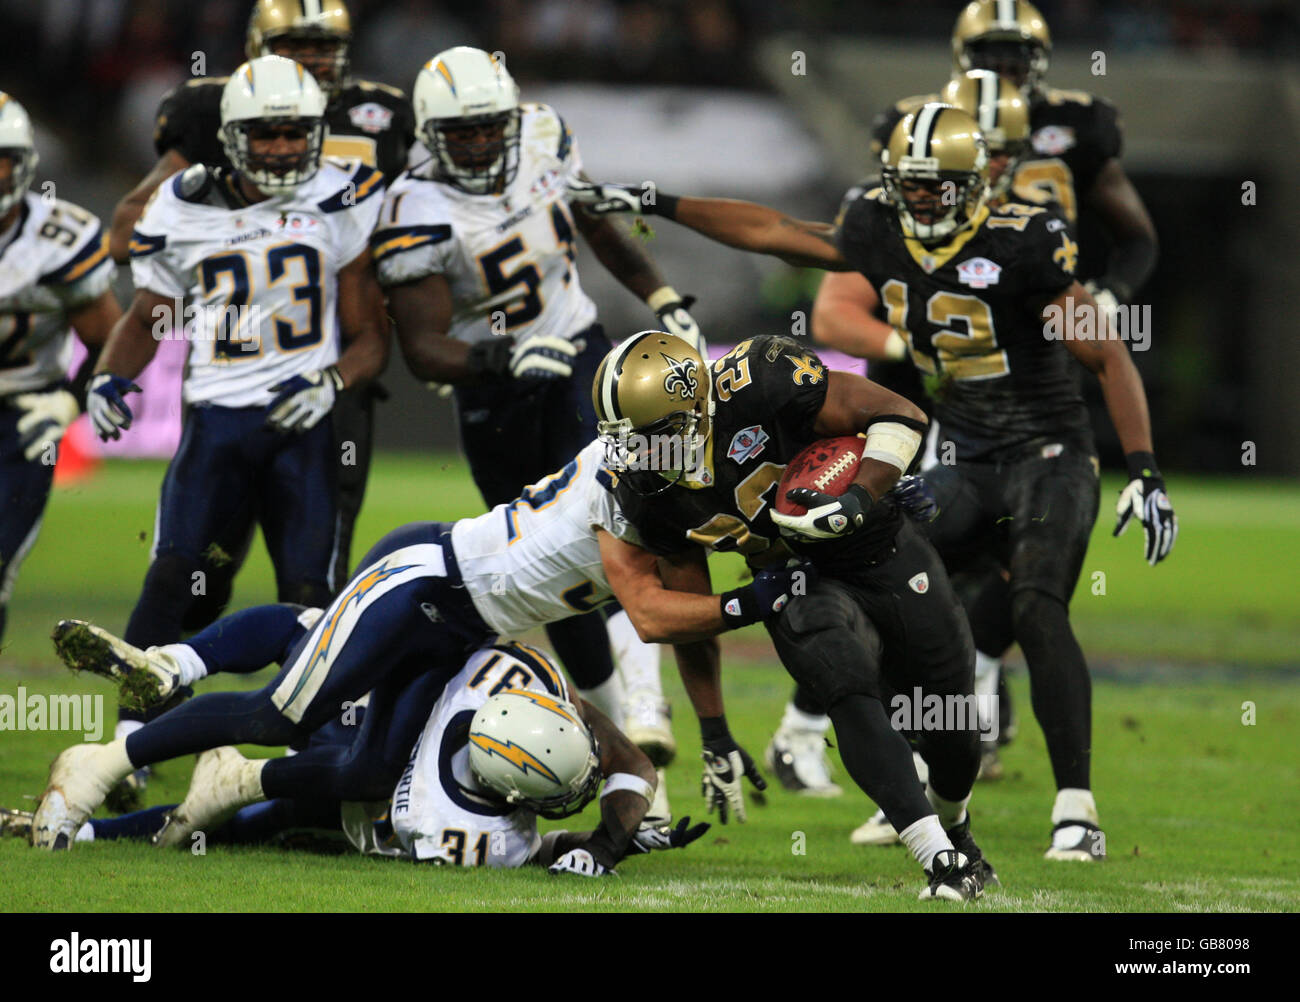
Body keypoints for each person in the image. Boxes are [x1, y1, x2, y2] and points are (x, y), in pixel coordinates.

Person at [570, 102, 1177, 862]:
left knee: (1035, 601)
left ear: (977, 181)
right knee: (870, 573)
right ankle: (846, 743)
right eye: (907, 186)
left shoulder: (1024, 241)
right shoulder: (880, 228)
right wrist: (662, 202)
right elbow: (774, 231)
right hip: (958, 445)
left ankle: (1074, 809)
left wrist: (1144, 467)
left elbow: (1108, 353)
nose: (918, 201)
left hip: (1046, 445)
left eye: (935, 187)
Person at [30, 434, 805, 865]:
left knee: (366, 767)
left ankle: (222, 749)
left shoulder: (659, 494)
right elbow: (655, 616)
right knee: (279, 710)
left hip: (465, 622)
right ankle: (104, 759)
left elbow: (687, 613)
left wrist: (712, 732)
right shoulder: (618, 489)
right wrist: (756, 598)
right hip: (424, 581)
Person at [371, 46, 705, 807]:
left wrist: (660, 295)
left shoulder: (547, 136)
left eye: (491, 125)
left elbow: (593, 221)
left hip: (580, 352)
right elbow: (422, 344)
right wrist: (499, 358)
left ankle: (647, 696)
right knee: (553, 569)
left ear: (511, 116)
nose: (483, 142)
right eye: (463, 132)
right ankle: (624, 739)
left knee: (624, 509)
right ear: (431, 133)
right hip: (497, 392)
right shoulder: (414, 207)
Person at [589, 331, 995, 901]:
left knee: (951, 729)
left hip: (882, 550)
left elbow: (898, 414)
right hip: (796, 579)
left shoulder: (762, 377)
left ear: (695, 408)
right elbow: (690, 615)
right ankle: (941, 859)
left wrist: (863, 494)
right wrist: (714, 731)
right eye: (626, 440)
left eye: (649, 438)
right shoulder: (648, 494)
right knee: (843, 683)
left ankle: (957, 828)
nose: (637, 456)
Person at [86, 58, 389, 729]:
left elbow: (371, 336)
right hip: (216, 424)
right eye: (265, 133)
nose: (282, 146)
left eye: (294, 132)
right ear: (230, 136)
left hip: (304, 425)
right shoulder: (181, 204)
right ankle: (133, 737)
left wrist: (331, 381)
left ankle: (318, 739)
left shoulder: (346, 196)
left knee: (311, 593)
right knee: (174, 577)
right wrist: (111, 376)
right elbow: (145, 316)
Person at [7, 641, 707, 875]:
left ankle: (173, 668)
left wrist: (614, 837)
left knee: (303, 632)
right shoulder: (447, 827)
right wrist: (599, 843)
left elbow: (626, 765)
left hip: (374, 710)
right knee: (265, 817)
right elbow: (542, 845)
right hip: (356, 785)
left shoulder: (517, 678)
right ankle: (180, 752)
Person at [0, 93, 121, 644]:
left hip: (23, 416)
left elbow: (107, 343)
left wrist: (66, 401)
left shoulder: (60, 238)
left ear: (22, 164)